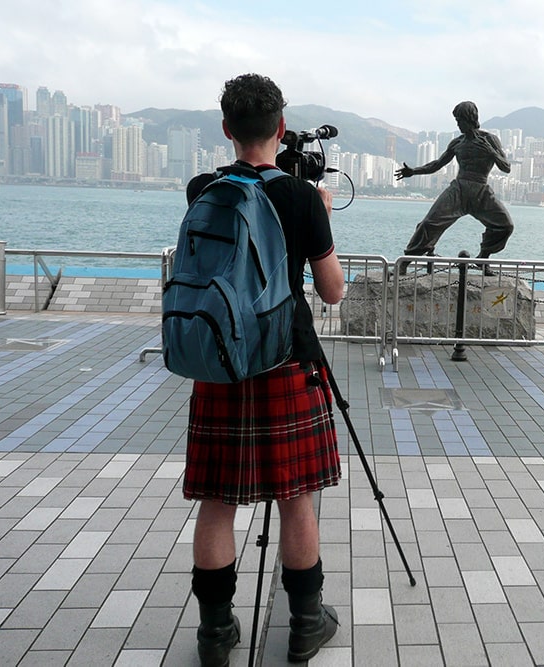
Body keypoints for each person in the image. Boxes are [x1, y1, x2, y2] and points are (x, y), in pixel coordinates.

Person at [183, 73, 344, 666]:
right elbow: (331, 292)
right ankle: (305, 623)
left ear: (226, 130)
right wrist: (320, 212)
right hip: (287, 362)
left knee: (218, 501)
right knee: (297, 498)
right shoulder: (300, 197)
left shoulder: (203, 188)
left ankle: (215, 635)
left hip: (222, 363)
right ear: (280, 128)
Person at [395, 101, 513, 275]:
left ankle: (483, 258)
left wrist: (491, 151)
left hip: (480, 191)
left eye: (460, 120)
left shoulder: (490, 140)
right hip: (458, 190)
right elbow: (437, 164)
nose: (458, 124)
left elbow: (506, 167)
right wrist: (413, 171)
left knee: (505, 225)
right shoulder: (457, 143)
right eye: (456, 120)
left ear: (470, 119)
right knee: (428, 224)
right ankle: (404, 263)